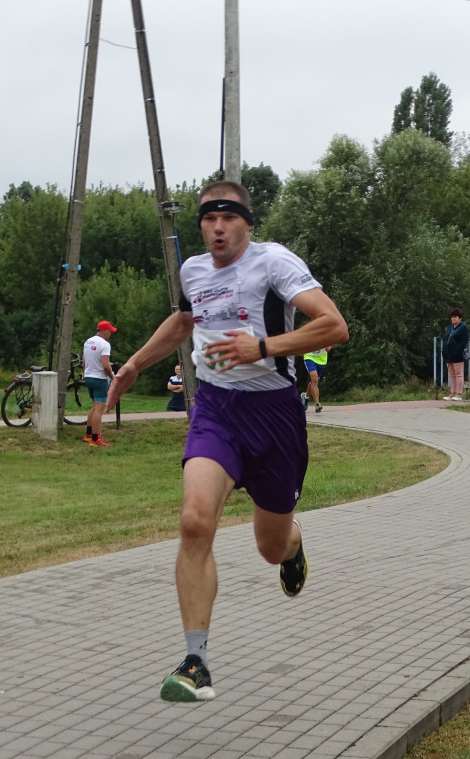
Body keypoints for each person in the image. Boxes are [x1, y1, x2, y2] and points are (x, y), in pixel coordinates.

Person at [105, 180, 349, 703]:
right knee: (195, 521)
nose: (217, 227)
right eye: (208, 219)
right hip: (216, 408)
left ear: (246, 222)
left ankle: (293, 542)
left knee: (269, 546)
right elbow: (183, 321)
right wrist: (131, 365)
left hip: (276, 414)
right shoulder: (193, 271)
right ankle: (196, 661)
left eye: (228, 218)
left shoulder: (274, 263)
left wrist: (261, 345)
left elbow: (333, 326)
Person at [83, 320, 116, 446]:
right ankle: (95, 439)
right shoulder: (105, 344)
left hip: (88, 376)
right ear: (105, 331)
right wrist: (112, 376)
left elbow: (84, 362)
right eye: (110, 331)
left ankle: (88, 434)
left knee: (94, 406)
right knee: (99, 409)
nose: (110, 334)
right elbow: (106, 365)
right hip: (100, 378)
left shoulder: (88, 341)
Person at [442, 307, 469, 401]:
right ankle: (452, 392)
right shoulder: (449, 328)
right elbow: (445, 339)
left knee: (458, 374)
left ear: (460, 318)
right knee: (452, 375)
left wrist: (457, 350)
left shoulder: (463, 328)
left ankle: (458, 394)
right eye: (452, 317)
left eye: (455, 317)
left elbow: (464, 341)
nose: (453, 318)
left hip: (457, 355)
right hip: (448, 355)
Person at [301, 347, 330, 413]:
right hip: (309, 357)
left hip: (322, 360)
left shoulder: (325, 336)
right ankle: (317, 404)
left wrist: (330, 346)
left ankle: (305, 396)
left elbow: (336, 340)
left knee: (314, 381)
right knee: (314, 379)